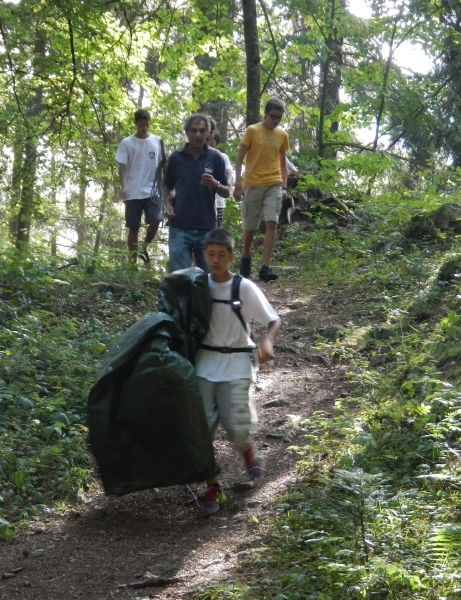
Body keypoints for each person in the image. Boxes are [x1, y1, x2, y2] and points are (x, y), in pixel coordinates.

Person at [195, 228, 282, 516]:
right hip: (204, 364)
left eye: (222, 255)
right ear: (203, 254)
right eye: (211, 254)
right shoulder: (197, 285)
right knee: (201, 431)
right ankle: (213, 488)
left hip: (237, 364)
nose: (215, 260)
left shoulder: (243, 287)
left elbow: (273, 319)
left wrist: (267, 341)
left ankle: (247, 449)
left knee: (237, 425)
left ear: (232, 256)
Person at [233, 98, 290, 282]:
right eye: (273, 116)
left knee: (271, 222)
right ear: (265, 113)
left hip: (274, 182)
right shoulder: (253, 130)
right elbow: (239, 157)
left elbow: (282, 162)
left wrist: (284, 186)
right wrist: (238, 183)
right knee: (249, 227)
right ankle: (246, 255)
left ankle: (265, 267)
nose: (275, 120)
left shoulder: (282, 135)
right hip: (253, 183)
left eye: (279, 117)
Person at [164, 114, 229, 274]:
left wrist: (216, 184)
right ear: (186, 132)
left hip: (206, 226)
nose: (197, 135)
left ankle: (205, 301)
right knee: (179, 278)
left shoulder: (216, 157)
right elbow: (167, 187)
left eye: (202, 131)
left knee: (208, 280)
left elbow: (227, 192)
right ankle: (181, 301)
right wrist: (167, 205)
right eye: (193, 130)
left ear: (208, 133)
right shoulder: (176, 158)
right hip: (179, 225)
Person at [115, 108, 166, 264]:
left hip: (152, 190)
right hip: (133, 191)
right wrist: (123, 186)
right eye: (141, 124)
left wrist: (169, 185)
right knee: (133, 227)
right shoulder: (127, 142)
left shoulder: (157, 141)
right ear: (136, 123)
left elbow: (164, 164)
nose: (144, 128)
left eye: (147, 124)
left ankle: (144, 248)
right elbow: (122, 166)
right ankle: (132, 263)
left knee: (157, 218)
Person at [205, 120, 234, 228]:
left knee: (216, 229)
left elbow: (229, 172)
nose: (211, 142)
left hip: (218, 198)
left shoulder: (221, 156)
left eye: (213, 140)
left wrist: (228, 185)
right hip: (203, 201)